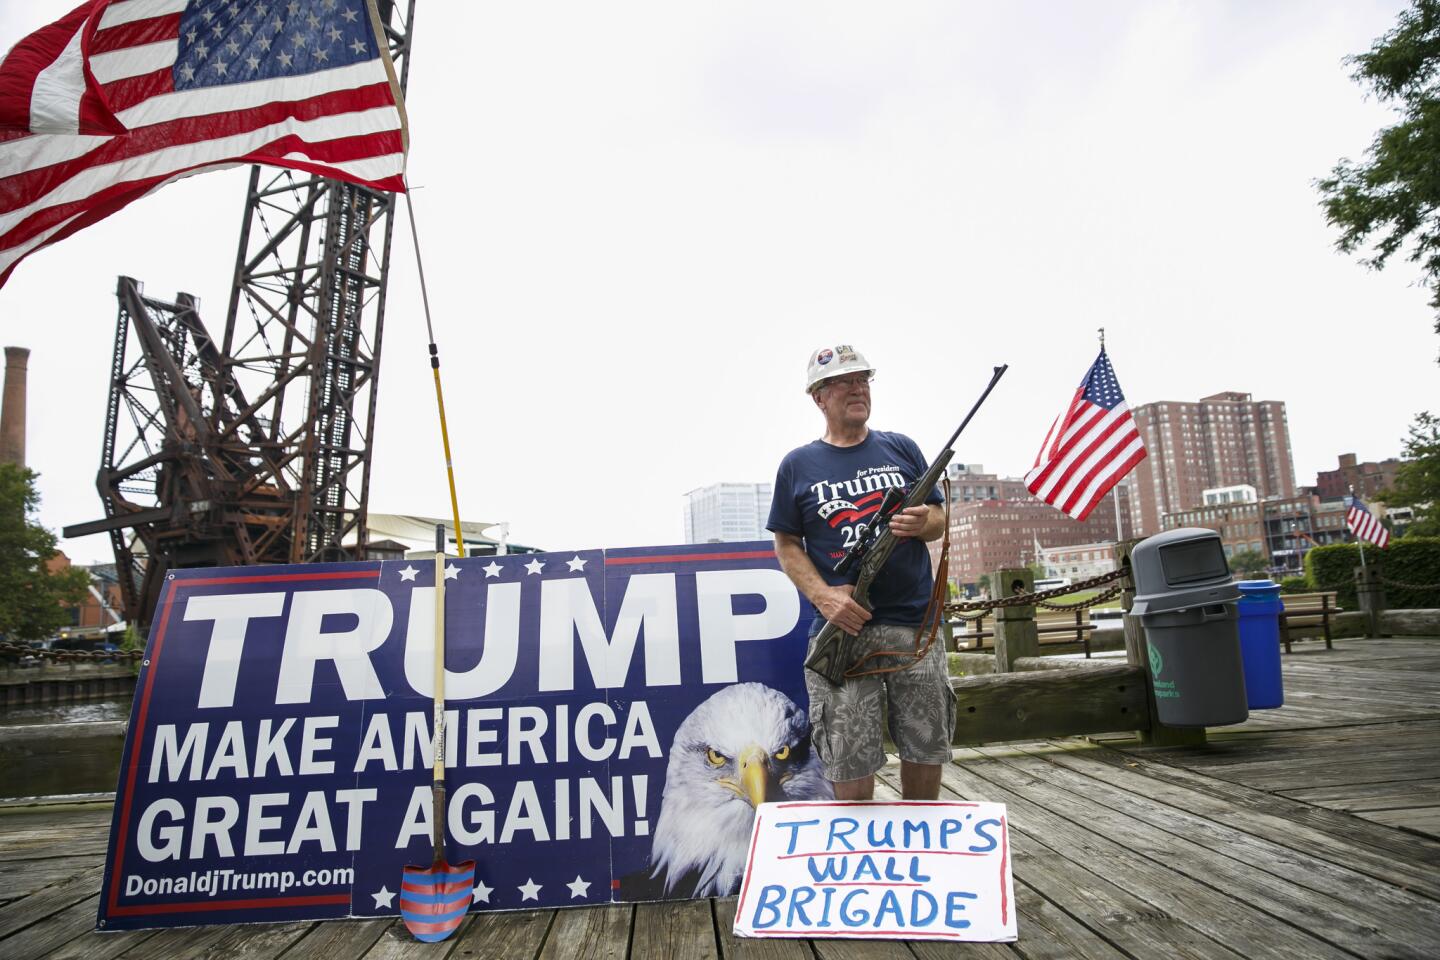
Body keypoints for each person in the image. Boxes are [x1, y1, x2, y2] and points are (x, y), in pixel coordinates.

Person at [767, 344, 955, 801]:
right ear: (818, 397)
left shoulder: (901, 448)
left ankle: (924, 857)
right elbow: (787, 544)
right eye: (844, 382)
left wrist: (922, 522)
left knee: (927, 746)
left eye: (863, 379)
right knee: (847, 757)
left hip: (915, 627)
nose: (857, 388)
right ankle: (860, 867)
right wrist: (824, 597)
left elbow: (937, 516)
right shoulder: (797, 465)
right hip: (844, 627)